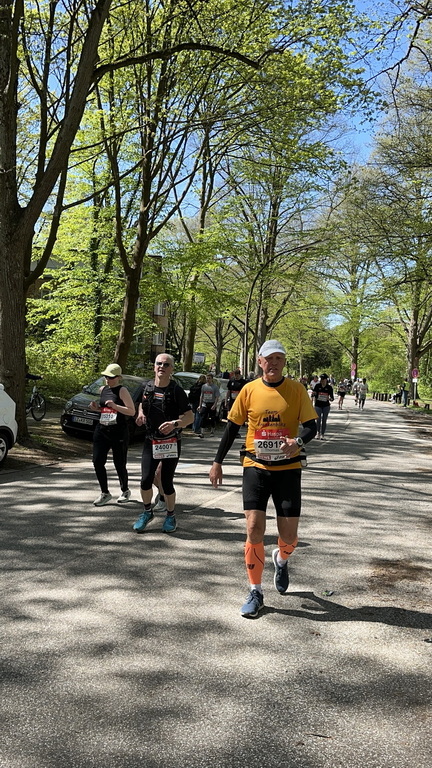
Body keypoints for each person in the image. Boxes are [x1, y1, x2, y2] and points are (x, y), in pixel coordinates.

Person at [209, 340, 317, 618]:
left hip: (288, 468)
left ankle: (281, 559)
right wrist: (217, 462)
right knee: (254, 528)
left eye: (279, 358)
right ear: (260, 361)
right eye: (269, 358)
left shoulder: (297, 390)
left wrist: (297, 442)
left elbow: (311, 426)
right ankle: (255, 591)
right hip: (255, 466)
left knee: (289, 537)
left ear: (284, 362)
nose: (274, 363)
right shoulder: (249, 390)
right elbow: (232, 428)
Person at [133, 354, 193, 533]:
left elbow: (190, 417)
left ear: (171, 369)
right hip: (151, 440)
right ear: (154, 367)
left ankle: (170, 515)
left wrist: (175, 423)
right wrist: (141, 413)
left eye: (166, 365)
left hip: (170, 442)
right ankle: (147, 512)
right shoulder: (146, 387)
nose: (162, 367)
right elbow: (141, 403)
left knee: (166, 482)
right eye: (158, 363)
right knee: (145, 480)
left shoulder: (176, 391)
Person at [89, 363, 136, 506]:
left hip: (118, 431)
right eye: (106, 377)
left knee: (119, 463)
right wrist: (96, 408)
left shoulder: (122, 390)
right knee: (97, 461)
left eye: (111, 377)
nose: (107, 379)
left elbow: (131, 411)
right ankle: (105, 492)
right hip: (102, 429)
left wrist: (115, 406)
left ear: (118, 377)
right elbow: (105, 409)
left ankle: (125, 490)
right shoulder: (103, 389)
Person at [311, 373, 334, 439]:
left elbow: (332, 398)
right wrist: (314, 394)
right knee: (318, 420)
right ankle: (318, 433)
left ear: (326, 380)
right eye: (321, 379)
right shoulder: (317, 386)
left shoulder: (329, 387)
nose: (322, 380)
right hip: (318, 405)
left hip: (326, 406)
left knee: (324, 420)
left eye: (323, 379)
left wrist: (329, 398)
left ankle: (322, 434)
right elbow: (313, 394)